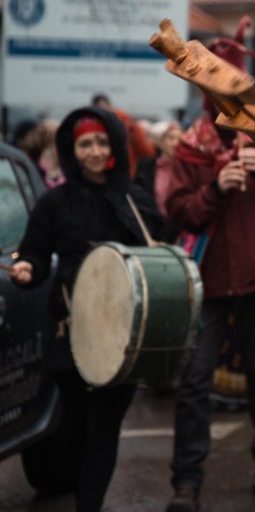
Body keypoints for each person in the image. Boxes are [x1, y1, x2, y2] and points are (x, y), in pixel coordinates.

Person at [10, 107, 163, 512]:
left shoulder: (136, 200)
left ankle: (88, 506)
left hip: (126, 334)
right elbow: (37, 252)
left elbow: (160, 256)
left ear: (114, 144)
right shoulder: (54, 203)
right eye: (84, 144)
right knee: (75, 428)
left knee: (105, 427)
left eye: (100, 142)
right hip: (70, 331)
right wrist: (28, 268)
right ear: (70, 150)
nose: (94, 151)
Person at [164, 40, 255, 512]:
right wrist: (216, 188)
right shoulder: (190, 146)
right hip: (207, 280)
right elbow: (178, 213)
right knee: (194, 379)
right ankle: (186, 481)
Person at [91, 93, 156, 180]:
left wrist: (133, 129)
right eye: (100, 108)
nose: (104, 112)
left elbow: (147, 151)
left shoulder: (126, 123)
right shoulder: (90, 127)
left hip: (125, 175)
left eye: (105, 107)